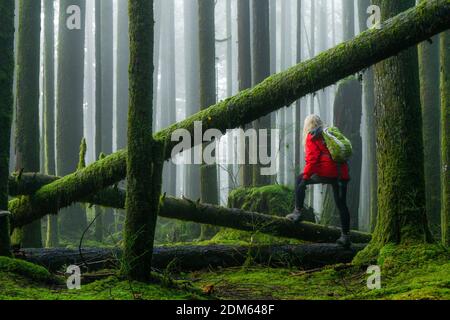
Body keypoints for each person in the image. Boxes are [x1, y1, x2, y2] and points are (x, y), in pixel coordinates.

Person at [286, 114, 351, 248]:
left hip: (327, 171)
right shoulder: (330, 132)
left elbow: (313, 160)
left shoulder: (312, 136)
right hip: (341, 172)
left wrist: (305, 178)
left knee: (299, 179)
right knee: (342, 205)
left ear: (307, 126)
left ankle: (297, 212)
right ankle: (345, 237)